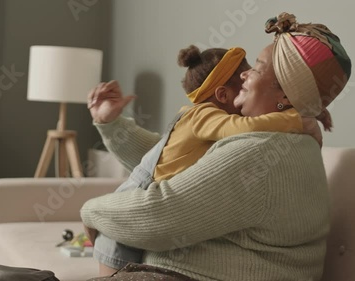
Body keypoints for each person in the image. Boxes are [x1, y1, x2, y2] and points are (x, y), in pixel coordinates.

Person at [81, 12, 351, 281]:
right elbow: (168, 160)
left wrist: (90, 211)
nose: (244, 75)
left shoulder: (261, 150)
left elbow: (161, 214)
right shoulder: (281, 140)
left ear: (284, 94)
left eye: (256, 68)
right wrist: (112, 124)